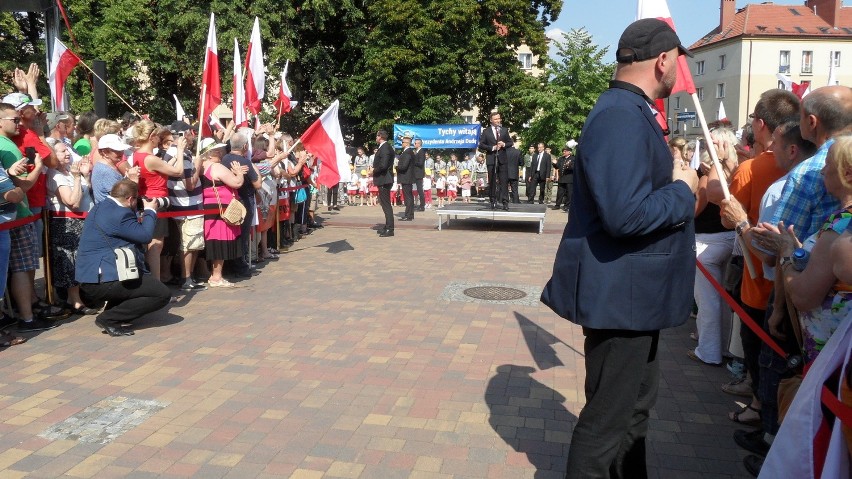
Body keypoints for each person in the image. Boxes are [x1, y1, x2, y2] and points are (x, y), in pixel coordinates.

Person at [540, 18, 698, 478]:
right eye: (677, 63)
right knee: (607, 422)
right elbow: (625, 215)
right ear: (664, 60)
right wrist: (684, 190)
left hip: (633, 296)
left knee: (633, 414)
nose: (676, 73)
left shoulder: (631, 112)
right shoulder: (619, 115)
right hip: (621, 298)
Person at [76, 179, 171, 336]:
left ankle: (113, 311)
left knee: (140, 281)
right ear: (130, 199)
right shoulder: (119, 214)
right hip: (102, 280)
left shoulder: (101, 206)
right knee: (161, 294)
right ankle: (109, 318)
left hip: (90, 276)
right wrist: (150, 212)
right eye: (137, 199)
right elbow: (145, 236)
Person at [770, 85, 852, 241]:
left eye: (800, 116)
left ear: (811, 122)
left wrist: (741, 223)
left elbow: (776, 247)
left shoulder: (805, 174)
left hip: (814, 261)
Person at [689, 127, 738, 366]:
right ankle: (728, 349)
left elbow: (695, 209)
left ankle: (708, 351)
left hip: (707, 244)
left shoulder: (707, 174)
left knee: (708, 302)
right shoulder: (740, 169)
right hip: (734, 240)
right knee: (727, 301)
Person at [47, 142, 98, 315]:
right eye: (62, 151)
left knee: (81, 260)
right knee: (70, 261)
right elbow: (73, 202)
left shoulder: (70, 171)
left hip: (83, 222)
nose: (67, 153)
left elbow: (85, 194)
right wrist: (77, 178)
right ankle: (74, 300)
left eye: (67, 150)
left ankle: (81, 296)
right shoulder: (54, 175)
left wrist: (85, 176)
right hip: (67, 223)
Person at [133, 120, 183, 282]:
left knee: (154, 245)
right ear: (152, 137)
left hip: (147, 201)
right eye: (158, 137)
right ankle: (156, 284)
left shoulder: (137, 155)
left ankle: (156, 282)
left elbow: (163, 169)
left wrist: (174, 156)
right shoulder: (149, 158)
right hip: (155, 202)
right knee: (155, 246)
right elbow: (177, 171)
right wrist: (181, 151)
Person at [200, 138, 245, 287]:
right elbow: (236, 183)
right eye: (216, 150)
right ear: (209, 153)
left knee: (214, 241)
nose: (220, 152)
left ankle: (214, 274)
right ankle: (216, 276)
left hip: (211, 208)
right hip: (220, 211)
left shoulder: (202, 167)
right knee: (219, 241)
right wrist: (239, 173)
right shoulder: (216, 167)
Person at [222, 132, 261, 278]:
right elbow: (257, 183)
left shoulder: (224, 159)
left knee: (232, 233)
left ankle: (231, 264)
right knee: (242, 234)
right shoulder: (244, 162)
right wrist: (255, 169)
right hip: (244, 200)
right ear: (245, 146)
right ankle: (240, 265)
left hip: (230, 201)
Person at [478, 111, 512, 210]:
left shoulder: (504, 130)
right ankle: (493, 201)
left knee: (504, 181)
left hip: (502, 159)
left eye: (499, 118)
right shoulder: (486, 131)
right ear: (491, 120)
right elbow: (481, 144)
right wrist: (492, 147)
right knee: (492, 181)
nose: (498, 120)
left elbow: (510, 142)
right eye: (496, 119)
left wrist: (504, 144)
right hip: (492, 159)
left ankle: (505, 202)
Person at [372, 130, 394, 237]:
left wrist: (373, 170)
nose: (375, 138)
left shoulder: (385, 147)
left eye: (377, 135)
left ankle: (390, 228)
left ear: (380, 136)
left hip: (385, 179)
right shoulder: (383, 147)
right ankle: (387, 226)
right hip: (383, 179)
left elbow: (384, 165)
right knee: (384, 204)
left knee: (386, 204)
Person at [397, 135, 415, 221]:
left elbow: (404, 166)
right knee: (409, 196)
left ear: (407, 143)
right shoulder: (408, 152)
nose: (401, 143)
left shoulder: (407, 152)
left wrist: (397, 167)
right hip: (407, 177)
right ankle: (410, 214)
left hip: (406, 177)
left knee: (408, 197)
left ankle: (408, 214)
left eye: (403, 142)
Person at [553, 146, 574, 211]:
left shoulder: (573, 158)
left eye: (565, 151)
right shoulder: (561, 158)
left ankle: (567, 205)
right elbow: (557, 167)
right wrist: (554, 163)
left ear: (569, 152)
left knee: (569, 193)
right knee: (560, 192)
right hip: (562, 178)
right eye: (563, 151)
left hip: (569, 179)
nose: (563, 152)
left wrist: (568, 166)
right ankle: (557, 205)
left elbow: (573, 168)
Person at [413, 138, 426, 211]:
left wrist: (413, 162)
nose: (414, 144)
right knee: (418, 190)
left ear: (419, 144)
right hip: (416, 173)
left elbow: (420, 163)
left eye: (415, 143)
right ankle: (419, 204)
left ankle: (422, 205)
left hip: (419, 173)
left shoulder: (421, 152)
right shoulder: (417, 152)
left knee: (420, 190)